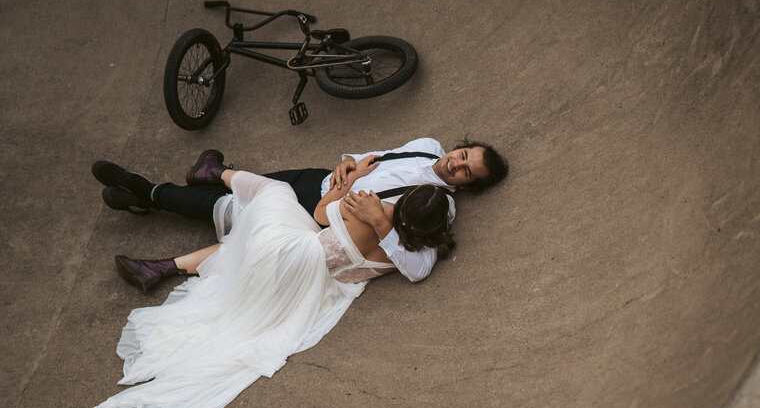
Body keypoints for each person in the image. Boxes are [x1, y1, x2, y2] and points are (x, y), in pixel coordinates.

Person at [87, 163, 455, 408]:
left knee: (273, 190)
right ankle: (163, 259)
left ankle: (217, 172)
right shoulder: (423, 254)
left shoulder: (375, 208)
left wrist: (345, 191)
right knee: (244, 238)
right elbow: (414, 269)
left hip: (292, 256)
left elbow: (321, 215)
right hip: (318, 289)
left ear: (405, 202)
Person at [92, 136, 508, 283]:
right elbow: (384, 153)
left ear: (467, 186)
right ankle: (212, 173)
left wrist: (379, 222)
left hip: (322, 214)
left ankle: (148, 193)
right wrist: (351, 163)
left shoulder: (439, 206)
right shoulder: (430, 146)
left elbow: (417, 262)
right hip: (325, 180)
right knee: (263, 184)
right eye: (465, 154)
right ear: (460, 145)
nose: (458, 164)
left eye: (467, 172)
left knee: (226, 207)